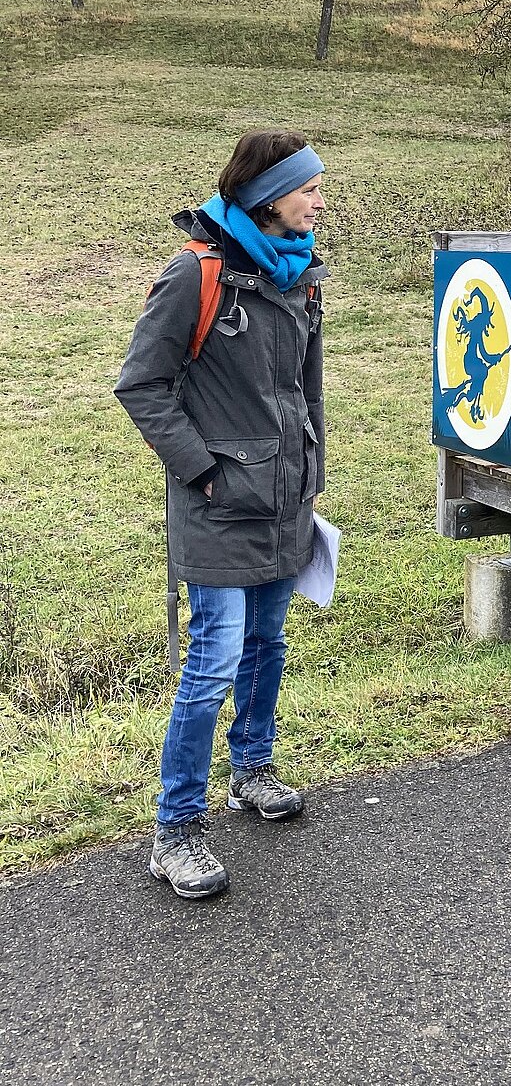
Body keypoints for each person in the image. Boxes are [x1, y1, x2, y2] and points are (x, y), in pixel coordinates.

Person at [115, 131, 328, 898]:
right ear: (268, 196)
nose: (319, 199)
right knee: (211, 664)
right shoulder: (195, 275)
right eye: (308, 187)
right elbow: (142, 385)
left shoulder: (300, 275)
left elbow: (308, 392)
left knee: (267, 644)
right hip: (217, 508)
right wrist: (201, 470)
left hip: (283, 502)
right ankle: (174, 831)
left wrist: (313, 476)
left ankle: (252, 768)